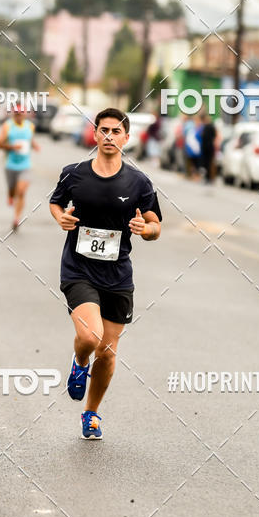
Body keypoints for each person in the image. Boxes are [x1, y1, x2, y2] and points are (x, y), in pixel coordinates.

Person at [49, 108, 162, 440]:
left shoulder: (139, 182)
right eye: (104, 130)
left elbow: (156, 224)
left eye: (116, 131)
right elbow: (56, 203)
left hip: (117, 276)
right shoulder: (75, 174)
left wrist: (146, 230)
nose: (109, 136)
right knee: (89, 337)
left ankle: (91, 413)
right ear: (95, 135)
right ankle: (79, 361)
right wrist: (60, 217)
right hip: (78, 269)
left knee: (108, 352)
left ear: (127, 138)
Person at [0, 106, 39, 231]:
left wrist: (35, 145)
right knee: (12, 190)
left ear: (25, 114)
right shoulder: (7, 126)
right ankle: (10, 195)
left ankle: (16, 218)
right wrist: (12, 147)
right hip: (10, 164)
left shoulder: (30, 126)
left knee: (21, 191)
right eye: (16, 113)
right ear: (13, 114)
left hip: (25, 165)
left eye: (21, 113)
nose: (19, 115)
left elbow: (30, 140)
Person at [201, 114, 217, 183]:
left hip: (207, 147)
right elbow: (214, 136)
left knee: (207, 163)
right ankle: (209, 177)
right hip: (209, 147)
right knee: (209, 163)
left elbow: (203, 137)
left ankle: (209, 177)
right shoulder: (211, 127)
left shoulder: (206, 127)